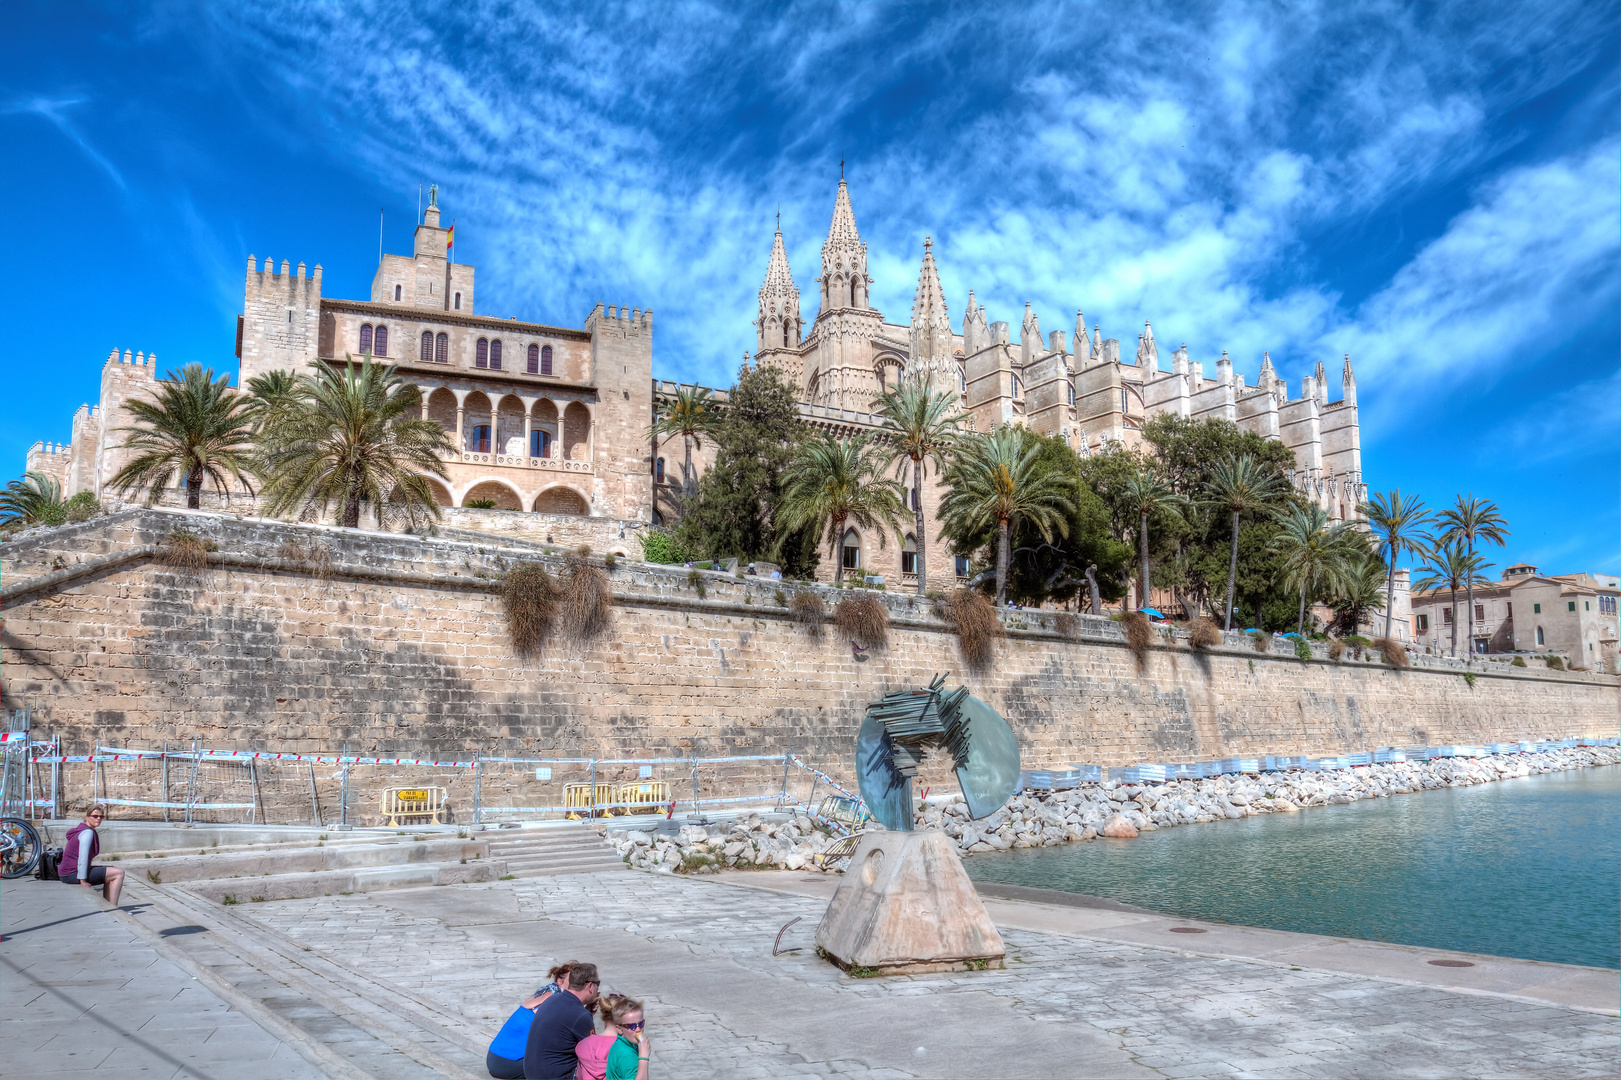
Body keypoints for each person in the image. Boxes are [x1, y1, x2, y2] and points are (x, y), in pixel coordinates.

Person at [486, 963, 576, 1079]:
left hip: (495, 1057)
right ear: (560, 981)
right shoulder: (553, 1001)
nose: (577, 983)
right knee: (567, 1062)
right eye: (573, 980)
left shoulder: (543, 993)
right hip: (508, 1063)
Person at [523, 961, 599, 1080]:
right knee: (602, 1065)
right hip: (556, 1076)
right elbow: (594, 1053)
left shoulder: (553, 999)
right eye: (597, 983)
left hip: (532, 1073)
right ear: (590, 986)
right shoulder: (580, 1015)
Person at [575, 993, 652, 1080]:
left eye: (641, 1024)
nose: (638, 1029)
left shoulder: (618, 1044)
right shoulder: (627, 1055)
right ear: (619, 1029)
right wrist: (643, 1058)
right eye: (631, 1026)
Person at [59, 804, 122, 905]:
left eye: (101, 817)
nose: (98, 819)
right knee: (119, 873)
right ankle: (113, 908)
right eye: (95, 816)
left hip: (66, 872)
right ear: (87, 817)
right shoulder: (88, 832)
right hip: (72, 874)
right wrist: (82, 880)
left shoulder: (81, 830)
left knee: (111, 870)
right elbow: (82, 857)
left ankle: (108, 905)